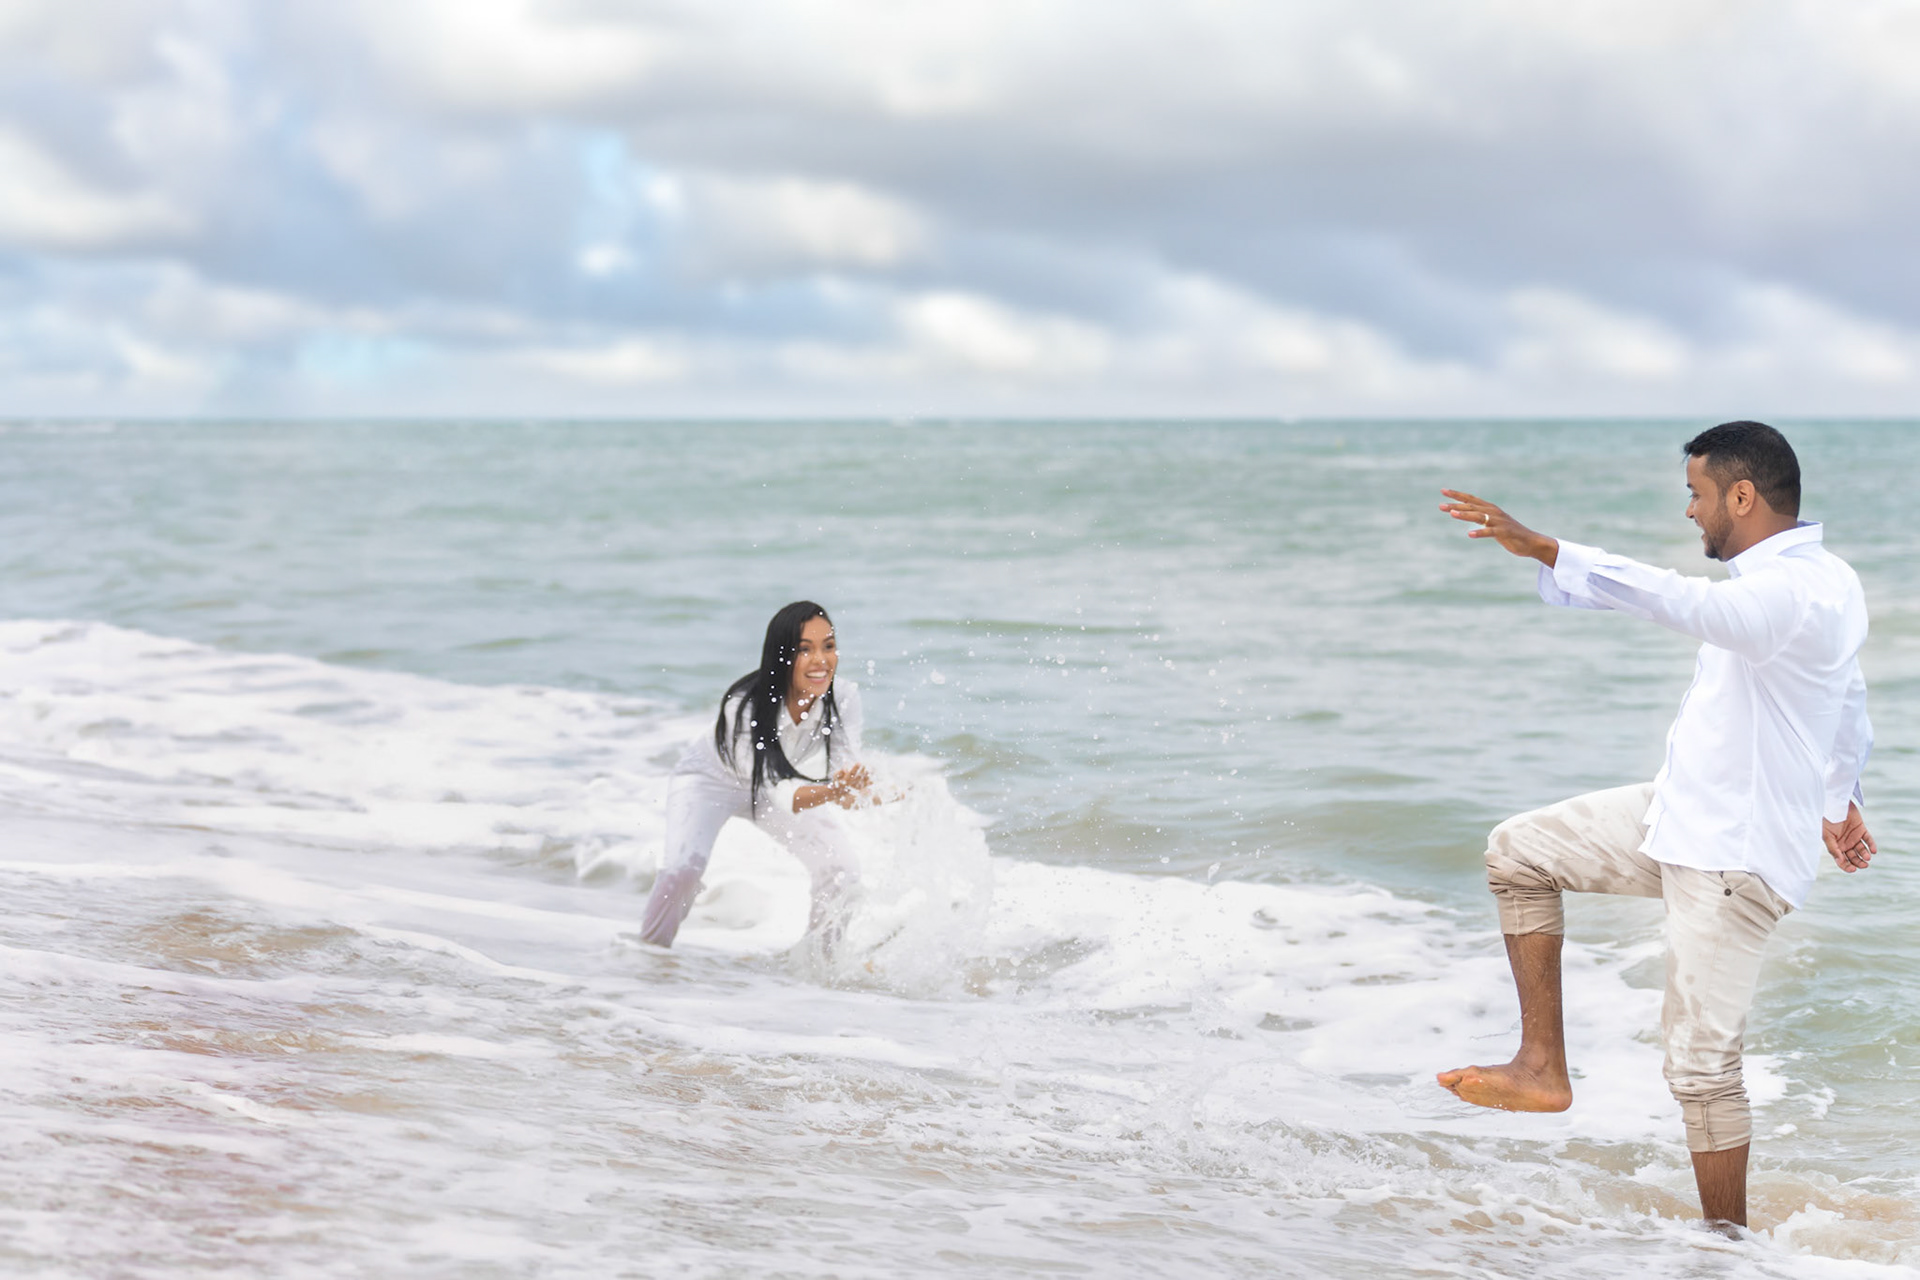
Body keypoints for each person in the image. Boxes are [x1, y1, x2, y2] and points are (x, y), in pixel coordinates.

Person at [1434, 422, 1875, 1231]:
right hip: (1681, 814)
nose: (1690, 512)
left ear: (1742, 496)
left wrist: (1551, 550)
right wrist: (1838, 801)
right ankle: (1541, 1067)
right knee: (1518, 852)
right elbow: (1847, 703)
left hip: (1734, 856)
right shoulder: (1823, 581)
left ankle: (1726, 1247)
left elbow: (1683, 602)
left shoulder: (1790, 591)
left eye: (1697, 494)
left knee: (1703, 1071)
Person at [640, 601, 876, 949]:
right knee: (683, 871)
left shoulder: (844, 697)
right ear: (781, 656)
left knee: (842, 871)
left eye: (828, 646)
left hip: (775, 788)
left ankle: (818, 967)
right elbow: (781, 793)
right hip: (709, 781)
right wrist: (834, 791)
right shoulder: (744, 705)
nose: (821, 661)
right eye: (804, 650)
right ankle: (647, 956)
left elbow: (846, 778)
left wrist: (868, 789)